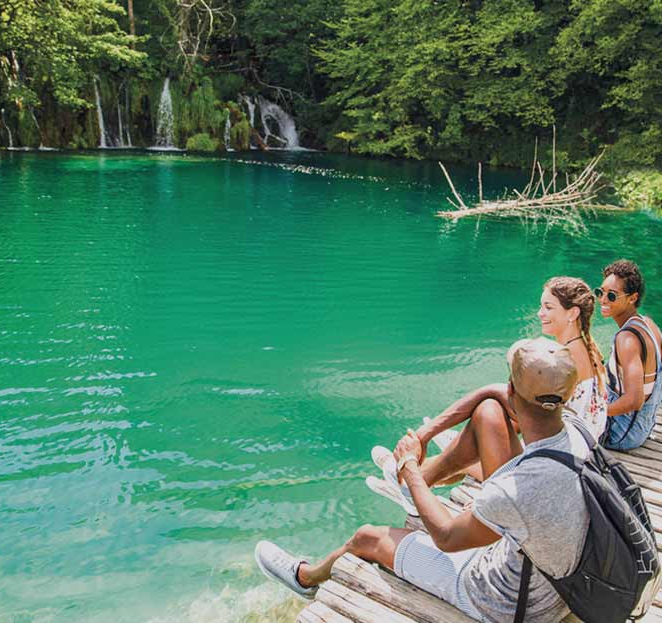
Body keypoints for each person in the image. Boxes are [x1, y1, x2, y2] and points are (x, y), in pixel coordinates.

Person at [255, 338, 590, 623]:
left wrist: (410, 465)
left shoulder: (514, 489)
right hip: (560, 586)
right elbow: (490, 396)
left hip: (510, 603)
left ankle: (305, 578)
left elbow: (446, 537)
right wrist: (427, 434)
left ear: (513, 390)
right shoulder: (579, 434)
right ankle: (410, 484)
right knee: (488, 414)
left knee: (366, 538)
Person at [413, 276, 606, 488]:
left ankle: (411, 474)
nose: (540, 313)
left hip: (560, 467)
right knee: (491, 422)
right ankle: (416, 474)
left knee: (478, 431)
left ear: (573, 313)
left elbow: (507, 399)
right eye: (541, 306)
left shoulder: (568, 360)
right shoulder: (587, 350)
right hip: (570, 453)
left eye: (548, 307)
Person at [597, 259, 662, 451]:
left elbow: (634, 400)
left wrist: (596, 413)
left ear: (632, 298)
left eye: (611, 295)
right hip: (644, 424)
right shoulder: (648, 324)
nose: (603, 300)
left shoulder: (627, 340)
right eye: (600, 292)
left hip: (622, 433)